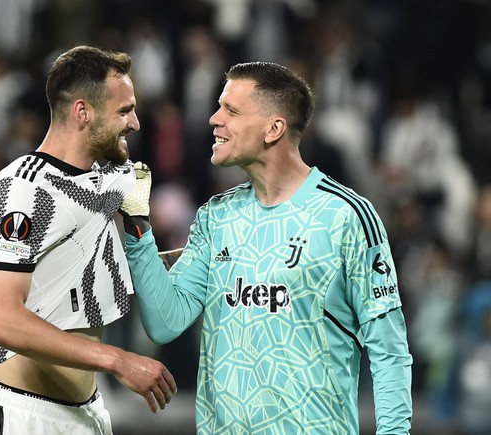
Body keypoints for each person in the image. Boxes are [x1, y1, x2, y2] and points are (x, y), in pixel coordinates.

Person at [120, 61, 413, 434]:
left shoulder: (345, 216)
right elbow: (166, 322)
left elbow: (388, 350)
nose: (214, 118)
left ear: (274, 129)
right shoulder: (216, 217)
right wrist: (138, 226)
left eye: (231, 110)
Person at [0, 45, 176, 435]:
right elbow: (0, 319)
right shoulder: (22, 192)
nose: (135, 124)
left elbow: (97, 271)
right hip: (23, 416)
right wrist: (117, 360)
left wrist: (210, 257)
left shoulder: (109, 182)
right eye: (124, 111)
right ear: (83, 111)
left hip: (88, 414)